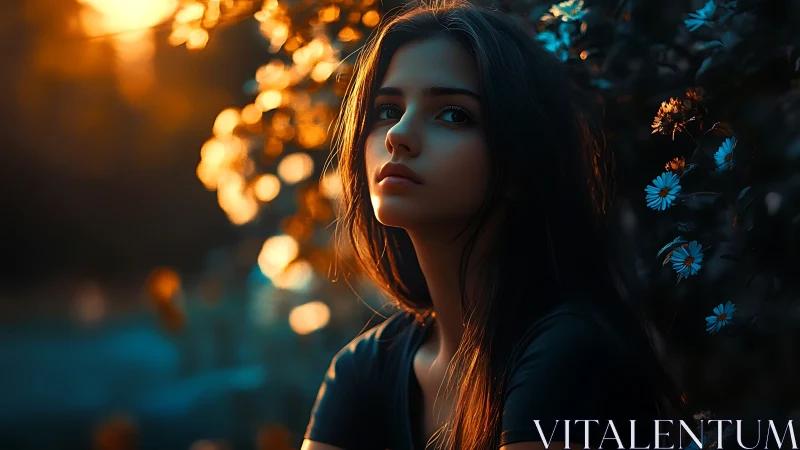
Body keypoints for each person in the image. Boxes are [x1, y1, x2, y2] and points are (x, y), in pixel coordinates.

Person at [301, 1, 692, 449]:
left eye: (454, 114)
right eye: (388, 110)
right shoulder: (363, 367)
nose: (397, 135)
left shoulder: (570, 351)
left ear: (521, 166)